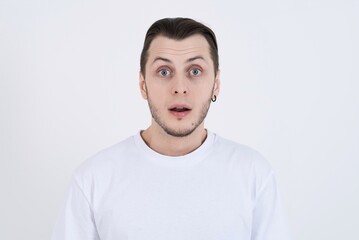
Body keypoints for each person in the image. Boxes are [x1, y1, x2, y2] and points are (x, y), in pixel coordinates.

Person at [52, 17, 290, 240]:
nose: (179, 88)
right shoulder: (92, 180)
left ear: (216, 84)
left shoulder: (254, 175)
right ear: (143, 85)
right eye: (164, 72)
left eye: (195, 71)